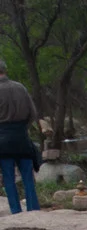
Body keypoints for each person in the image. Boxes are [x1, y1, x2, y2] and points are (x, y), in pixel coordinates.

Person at [0, 58, 40, 215]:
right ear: (5, 70)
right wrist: (23, 128)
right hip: (22, 137)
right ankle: (33, 210)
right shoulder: (20, 88)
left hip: (2, 140)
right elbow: (33, 114)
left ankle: (16, 212)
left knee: (8, 177)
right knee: (28, 176)